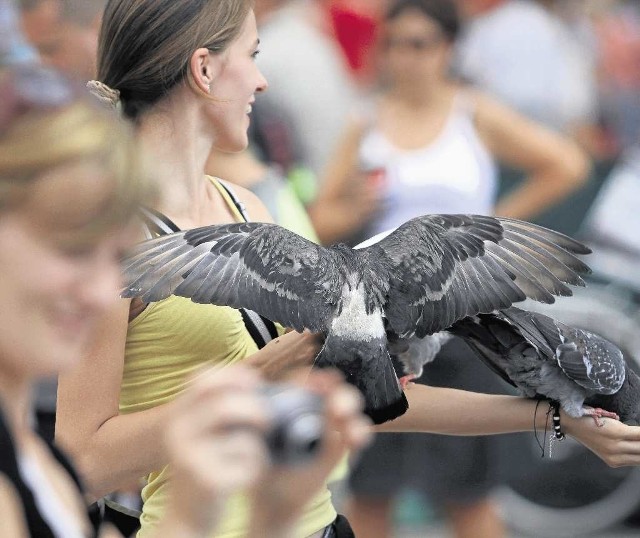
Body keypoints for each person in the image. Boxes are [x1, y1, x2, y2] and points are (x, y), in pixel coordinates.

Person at [54, 1, 640, 538]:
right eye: (252, 56)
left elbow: (365, 398)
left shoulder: (246, 208)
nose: (261, 80)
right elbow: (81, 463)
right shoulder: (110, 235)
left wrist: (558, 419)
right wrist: (269, 367)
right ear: (204, 71)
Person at [0, 62, 368, 538]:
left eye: (114, 257)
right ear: (202, 68)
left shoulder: (38, 466)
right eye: (70, 248)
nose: (97, 291)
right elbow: (90, 454)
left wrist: (271, 515)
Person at [308, 0, 591, 536]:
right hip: (382, 321)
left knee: (469, 491)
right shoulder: (365, 121)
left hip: (463, 314)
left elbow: (567, 164)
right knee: (372, 487)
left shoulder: (472, 112)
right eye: (394, 44)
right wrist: (354, 209)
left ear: (448, 50)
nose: (406, 58)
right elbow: (319, 217)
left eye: (420, 44)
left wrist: (491, 232)